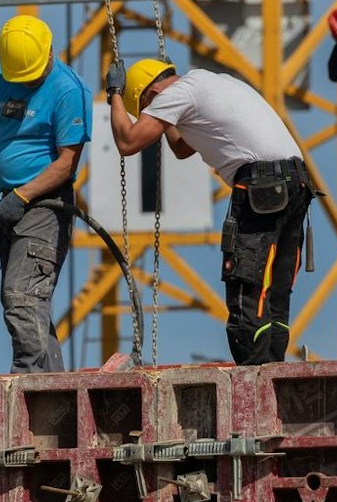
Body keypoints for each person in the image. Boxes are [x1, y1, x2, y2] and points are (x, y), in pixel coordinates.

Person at [108, 59, 311, 365]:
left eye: (149, 109)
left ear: (154, 95)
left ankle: (252, 376)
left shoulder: (178, 93)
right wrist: (166, 117)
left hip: (262, 185)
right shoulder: (214, 83)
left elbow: (128, 142)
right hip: (296, 183)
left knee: (247, 282)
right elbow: (181, 148)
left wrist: (114, 93)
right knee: (274, 290)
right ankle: (273, 369)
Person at [0, 15, 90, 372]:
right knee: (26, 300)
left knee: (22, 296)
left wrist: (22, 196)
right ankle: (52, 383)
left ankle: (30, 380)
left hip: (46, 205)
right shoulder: (0, 72)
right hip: (9, 203)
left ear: (50, 52)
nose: (26, 82)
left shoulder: (68, 90)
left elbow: (66, 163)